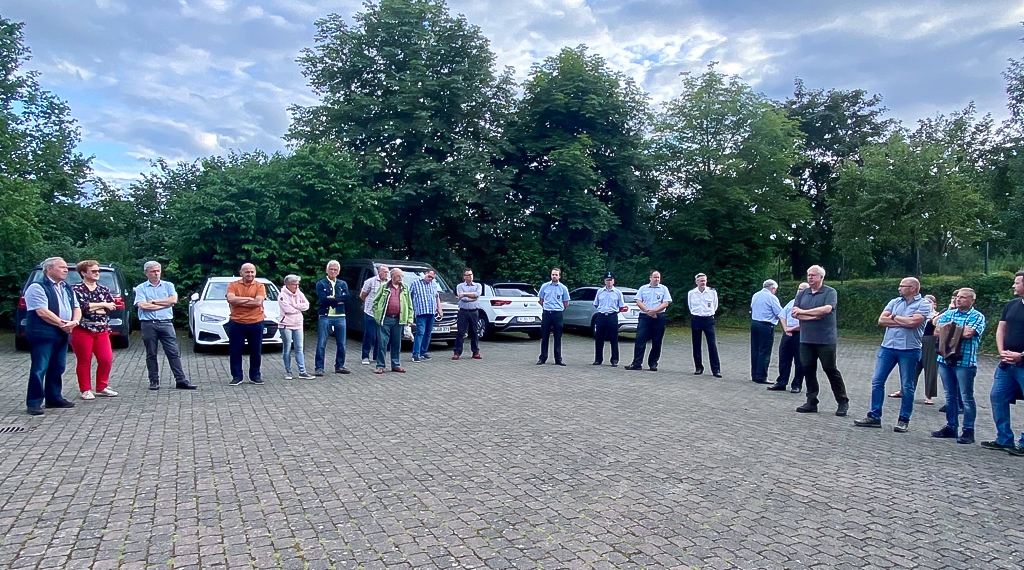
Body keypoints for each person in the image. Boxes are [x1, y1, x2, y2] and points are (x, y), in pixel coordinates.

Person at [853, 277, 931, 433]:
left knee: (907, 385)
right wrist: (903, 321)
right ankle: (874, 416)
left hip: (909, 349)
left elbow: (913, 323)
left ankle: (903, 419)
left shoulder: (924, 304)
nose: (899, 288)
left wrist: (894, 317)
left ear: (913, 288)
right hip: (887, 347)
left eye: (902, 286)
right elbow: (882, 320)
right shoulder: (894, 302)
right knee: (877, 381)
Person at [25, 257, 80, 415]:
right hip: (43, 333)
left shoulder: (66, 287)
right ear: (49, 269)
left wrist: (75, 322)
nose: (66, 270)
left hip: (63, 332)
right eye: (61, 267)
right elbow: (42, 311)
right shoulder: (37, 287)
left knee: (58, 367)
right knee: (40, 368)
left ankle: (54, 398)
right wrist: (63, 324)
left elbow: (76, 307)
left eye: (66, 267)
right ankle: (34, 402)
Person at [929, 288, 985, 444]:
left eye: (963, 297)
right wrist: (958, 329)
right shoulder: (949, 313)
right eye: (957, 297)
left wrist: (948, 329)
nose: (958, 299)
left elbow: (969, 334)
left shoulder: (977, 316)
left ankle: (968, 430)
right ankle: (951, 426)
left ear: (972, 300)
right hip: (945, 360)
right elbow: (936, 331)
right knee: (950, 396)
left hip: (965, 363)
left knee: (966, 397)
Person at [792, 265, 849, 416]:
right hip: (806, 339)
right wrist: (814, 316)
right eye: (808, 275)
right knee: (808, 369)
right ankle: (811, 401)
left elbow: (826, 309)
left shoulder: (830, 292)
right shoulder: (802, 293)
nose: (810, 277)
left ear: (821, 277)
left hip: (825, 339)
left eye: (813, 275)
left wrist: (804, 313)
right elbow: (794, 313)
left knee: (830, 369)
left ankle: (842, 401)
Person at [134, 261, 196, 391]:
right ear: (146, 273)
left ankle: (181, 380)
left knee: (173, 352)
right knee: (151, 353)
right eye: (153, 271)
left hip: (166, 323)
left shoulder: (168, 285)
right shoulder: (140, 288)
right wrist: (164, 305)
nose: (156, 274)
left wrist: (154, 302)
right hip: (148, 324)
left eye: (158, 271)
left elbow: (173, 300)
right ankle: (154, 381)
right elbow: (142, 305)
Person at [982, 271, 1024, 456]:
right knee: (998, 396)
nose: (1013, 286)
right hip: (1007, 364)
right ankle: (1004, 438)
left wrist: (1021, 355)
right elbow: (1001, 328)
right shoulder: (1012, 305)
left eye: (1017, 283)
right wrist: (1001, 351)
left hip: (1022, 362)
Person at [70, 260, 118, 400]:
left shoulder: (103, 289)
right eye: (93, 271)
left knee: (106, 358)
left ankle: (102, 386)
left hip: (101, 329)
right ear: (83, 273)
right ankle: (85, 389)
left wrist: (95, 307)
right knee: (84, 360)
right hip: (82, 330)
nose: (97, 273)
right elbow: (82, 307)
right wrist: (103, 304)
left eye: (98, 271)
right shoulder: (76, 289)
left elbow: (112, 307)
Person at [891, 294, 940, 405]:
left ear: (934, 304)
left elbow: (934, 322)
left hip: (930, 341)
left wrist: (932, 314)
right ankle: (905, 390)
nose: (927, 304)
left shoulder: (937, 315)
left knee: (931, 369)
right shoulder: (919, 313)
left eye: (930, 302)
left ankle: (929, 396)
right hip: (917, 339)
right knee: (912, 368)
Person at [226, 263, 267, 386]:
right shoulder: (233, 285)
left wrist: (239, 301)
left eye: (252, 272)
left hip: (256, 322)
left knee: (256, 351)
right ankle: (237, 377)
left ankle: (255, 376)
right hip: (236, 322)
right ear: (241, 273)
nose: (250, 274)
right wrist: (250, 299)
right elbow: (231, 299)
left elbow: (258, 302)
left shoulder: (260, 286)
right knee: (235, 351)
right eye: (247, 272)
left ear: (255, 272)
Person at [625, 271, 672, 372]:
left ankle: (653, 363)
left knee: (657, 341)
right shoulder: (643, 288)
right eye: (655, 277)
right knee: (640, 340)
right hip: (645, 317)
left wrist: (654, 311)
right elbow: (638, 301)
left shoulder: (664, 289)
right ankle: (637, 363)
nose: (657, 279)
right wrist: (648, 311)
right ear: (650, 278)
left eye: (658, 277)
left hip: (658, 317)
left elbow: (666, 303)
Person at [769, 282, 809, 393]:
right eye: (799, 289)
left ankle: (796, 385)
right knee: (784, 358)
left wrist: (792, 329)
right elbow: (782, 315)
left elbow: (807, 322)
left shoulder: (809, 305)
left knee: (799, 360)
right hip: (787, 333)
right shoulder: (792, 302)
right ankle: (781, 382)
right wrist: (786, 328)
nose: (800, 291)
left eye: (803, 290)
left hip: (800, 334)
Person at [372, 268, 412, 374]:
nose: (400, 278)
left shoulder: (405, 288)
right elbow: (375, 302)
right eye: (398, 276)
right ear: (392, 276)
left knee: (396, 343)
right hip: (385, 319)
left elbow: (409, 304)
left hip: (398, 319)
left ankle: (396, 364)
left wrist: (409, 319)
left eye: (402, 276)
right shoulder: (384, 286)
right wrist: (377, 315)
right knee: (382, 343)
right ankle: (380, 365)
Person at [315, 260, 350, 375]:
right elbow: (323, 299)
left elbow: (347, 298)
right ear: (327, 270)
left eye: (335, 270)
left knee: (342, 343)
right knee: (322, 342)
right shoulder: (321, 283)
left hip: (340, 316)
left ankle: (340, 366)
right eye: (331, 269)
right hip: (325, 316)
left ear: (338, 271)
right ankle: (319, 367)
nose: (333, 272)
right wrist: (338, 300)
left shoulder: (343, 284)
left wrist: (332, 299)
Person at [278, 274, 314, 380]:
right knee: (287, 348)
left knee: (299, 348)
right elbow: (287, 309)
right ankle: (288, 371)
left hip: (298, 324)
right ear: (288, 284)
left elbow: (306, 305)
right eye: (294, 284)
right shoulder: (282, 295)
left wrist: (295, 306)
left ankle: (302, 371)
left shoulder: (299, 293)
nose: (297, 286)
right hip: (286, 324)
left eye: (298, 284)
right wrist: (298, 309)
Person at [749, 279, 784, 384]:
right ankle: (761, 376)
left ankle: (754, 374)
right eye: (775, 289)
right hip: (766, 325)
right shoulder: (772, 297)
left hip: (754, 323)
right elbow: (779, 312)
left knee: (755, 349)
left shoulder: (755, 295)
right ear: (772, 288)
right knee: (764, 351)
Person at [687, 273, 721, 377]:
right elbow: (690, 306)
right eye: (701, 281)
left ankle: (716, 369)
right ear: (696, 282)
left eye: (704, 280)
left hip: (708, 319)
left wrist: (709, 314)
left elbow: (715, 305)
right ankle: (698, 367)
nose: (703, 283)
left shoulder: (712, 292)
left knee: (712, 344)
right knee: (696, 344)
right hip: (696, 319)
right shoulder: (691, 293)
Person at [536, 268, 570, 366]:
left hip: (557, 314)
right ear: (550, 275)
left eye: (556, 275)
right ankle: (543, 358)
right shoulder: (545, 286)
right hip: (547, 314)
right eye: (553, 274)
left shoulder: (563, 288)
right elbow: (541, 300)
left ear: (559, 276)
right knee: (545, 336)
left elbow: (566, 303)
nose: (554, 276)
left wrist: (559, 309)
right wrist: (547, 308)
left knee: (557, 337)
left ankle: (558, 359)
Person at [593, 272, 626, 366]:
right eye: (607, 280)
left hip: (612, 316)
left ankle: (614, 359)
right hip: (601, 316)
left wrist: (613, 312)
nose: (609, 282)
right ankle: (598, 359)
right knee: (599, 338)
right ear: (604, 281)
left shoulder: (618, 293)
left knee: (613, 339)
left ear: (613, 281)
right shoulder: (600, 291)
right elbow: (596, 304)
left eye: (610, 280)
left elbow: (621, 306)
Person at [410, 269, 443, 362]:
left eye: (432, 278)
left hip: (431, 312)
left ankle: (423, 352)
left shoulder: (434, 284)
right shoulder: (415, 283)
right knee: (420, 332)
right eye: (429, 276)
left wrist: (439, 308)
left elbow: (437, 297)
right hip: (421, 312)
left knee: (428, 333)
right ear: (425, 274)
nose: (430, 279)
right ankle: (415, 354)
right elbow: (409, 296)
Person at [359, 265, 389, 365]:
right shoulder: (370, 282)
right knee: (369, 335)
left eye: (387, 272)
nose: (386, 274)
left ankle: (377, 356)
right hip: (370, 313)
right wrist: (369, 304)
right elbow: (362, 295)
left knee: (380, 336)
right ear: (379, 272)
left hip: (383, 314)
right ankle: (365, 356)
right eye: (384, 272)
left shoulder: (389, 283)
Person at [454, 268, 483, 360]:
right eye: (468, 275)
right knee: (460, 332)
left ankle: (475, 352)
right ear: (464, 277)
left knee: (474, 332)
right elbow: (463, 299)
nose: (470, 276)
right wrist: (472, 297)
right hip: (463, 311)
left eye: (471, 274)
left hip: (474, 311)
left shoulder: (478, 285)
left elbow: (477, 295)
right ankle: (457, 352)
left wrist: (465, 294)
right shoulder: (459, 286)